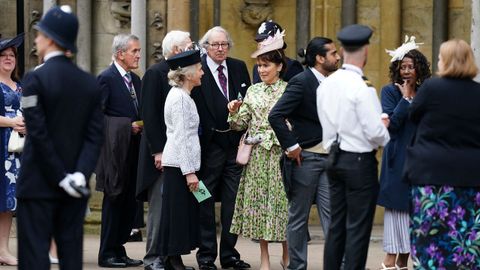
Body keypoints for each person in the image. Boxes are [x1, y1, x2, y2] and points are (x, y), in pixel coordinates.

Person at [17, 5, 103, 270]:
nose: (36, 39)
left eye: (40, 34)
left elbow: (38, 134)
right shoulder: (89, 83)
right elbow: (94, 136)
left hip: (38, 185)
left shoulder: (34, 79)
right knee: (71, 258)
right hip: (75, 188)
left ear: (51, 39)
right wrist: (79, 174)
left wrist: (60, 177)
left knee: (34, 259)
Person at [316, 24, 390, 270]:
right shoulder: (362, 87)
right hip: (359, 162)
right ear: (365, 51)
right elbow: (375, 133)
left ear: (343, 51)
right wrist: (384, 130)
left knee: (337, 226)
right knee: (357, 229)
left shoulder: (327, 83)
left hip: (333, 158)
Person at [404, 39, 480, 269]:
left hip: (432, 176)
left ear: (445, 61)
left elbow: (413, 116)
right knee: (467, 241)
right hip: (471, 176)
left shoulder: (431, 88)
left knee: (430, 241)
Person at [268, 36, 340, 270]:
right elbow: (275, 115)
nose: (338, 57)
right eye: (333, 53)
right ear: (320, 58)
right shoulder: (301, 82)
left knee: (333, 216)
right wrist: (292, 146)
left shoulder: (335, 81)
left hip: (330, 159)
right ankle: (297, 266)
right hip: (305, 159)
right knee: (298, 217)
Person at [227, 30, 289, 270]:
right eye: (260, 66)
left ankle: (286, 253)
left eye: (267, 65)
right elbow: (239, 124)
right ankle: (264, 258)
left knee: (282, 206)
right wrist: (233, 110)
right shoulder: (253, 90)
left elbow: (294, 123)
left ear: (279, 66)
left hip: (280, 156)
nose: (262, 70)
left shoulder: (288, 89)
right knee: (259, 206)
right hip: (257, 158)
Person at [191, 26, 251, 270]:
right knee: (202, 199)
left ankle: (229, 254)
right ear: (205, 47)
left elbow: (249, 101)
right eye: (215, 44)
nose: (220, 49)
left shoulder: (238, 67)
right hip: (206, 150)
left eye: (224, 44)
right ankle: (206, 256)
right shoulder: (197, 68)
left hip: (234, 149)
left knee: (233, 202)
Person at [136, 30, 194, 270]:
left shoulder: (184, 74)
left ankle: (172, 257)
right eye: (190, 45)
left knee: (174, 209)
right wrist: (157, 151)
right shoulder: (154, 73)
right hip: (160, 155)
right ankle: (153, 258)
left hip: (181, 155)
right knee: (159, 209)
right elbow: (149, 116)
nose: (194, 48)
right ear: (178, 50)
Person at [377, 37, 431, 270]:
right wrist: (406, 98)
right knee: (397, 213)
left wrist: (415, 97)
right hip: (397, 159)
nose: (407, 71)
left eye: (411, 66)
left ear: (419, 68)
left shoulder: (428, 91)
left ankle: (402, 264)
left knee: (415, 215)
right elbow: (393, 124)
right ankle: (391, 262)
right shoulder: (389, 91)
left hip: (421, 161)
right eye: (403, 66)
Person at [95, 33, 143, 268]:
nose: (138, 55)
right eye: (134, 51)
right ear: (120, 53)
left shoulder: (136, 80)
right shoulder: (105, 78)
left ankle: (119, 249)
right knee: (114, 202)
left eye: (138, 51)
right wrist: (126, 125)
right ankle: (106, 254)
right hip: (114, 154)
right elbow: (95, 118)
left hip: (133, 151)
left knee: (128, 204)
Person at [159, 49, 203, 270]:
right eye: (199, 69)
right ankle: (173, 259)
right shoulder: (180, 99)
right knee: (177, 213)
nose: (202, 72)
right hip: (180, 166)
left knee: (190, 208)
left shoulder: (183, 96)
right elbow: (182, 138)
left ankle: (172, 258)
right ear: (188, 74)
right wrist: (190, 172)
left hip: (183, 166)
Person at [0, 32, 24, 266]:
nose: (8, 58)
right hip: (0, 146)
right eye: (3, 55)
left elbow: (32, 111)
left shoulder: (21, 85)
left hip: (15, 150)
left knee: (8, 203)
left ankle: (3, 251)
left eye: (12, 55)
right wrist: (10, 122)